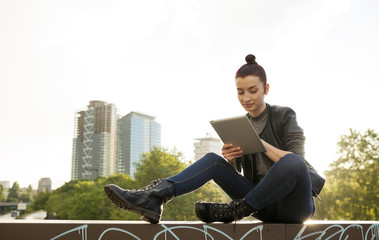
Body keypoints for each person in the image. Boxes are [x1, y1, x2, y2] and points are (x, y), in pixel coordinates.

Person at [104, 54, 323, 224]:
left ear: (265, 89)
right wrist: (231, 161)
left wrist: (259, 143)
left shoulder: (284, 115)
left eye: (253, 91)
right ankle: (155, 197)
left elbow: (298, 164)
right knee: (212, 159)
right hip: (261, 206)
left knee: (292, 161)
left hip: (294, 206)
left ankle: (234, 210)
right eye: (240, 92)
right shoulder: (241, 124)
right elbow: (241, 175)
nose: (246, 98)